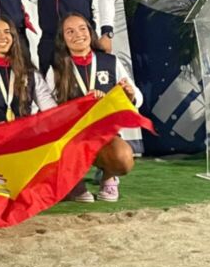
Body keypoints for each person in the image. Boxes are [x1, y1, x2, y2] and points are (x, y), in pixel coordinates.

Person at [46, 13, 143, 203]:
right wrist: (79, 106)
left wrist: (129, 96)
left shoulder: (110, 62)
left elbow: (138, 98)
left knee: (123, 158)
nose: (78, 35)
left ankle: (108, 176)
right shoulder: (57, 68)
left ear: (90, 32)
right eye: (70, 31)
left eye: (82, 29)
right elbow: (45, 111)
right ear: (62, 38)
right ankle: (74, 181)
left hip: (104, 136)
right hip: (72, 138)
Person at [0, 16, 56, 127]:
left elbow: (49, 107)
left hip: (26, 138)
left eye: (7, 32)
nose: (2, 36)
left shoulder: (29, 72)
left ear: (13, 37)